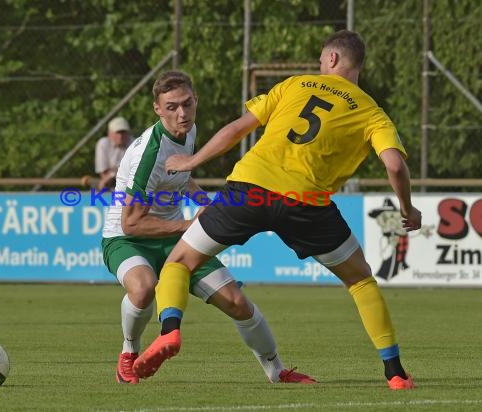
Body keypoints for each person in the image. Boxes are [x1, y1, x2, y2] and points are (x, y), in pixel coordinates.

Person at [134, 30, 421, 391]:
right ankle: (394, 373)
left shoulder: (296, 84)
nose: (319, 64)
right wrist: (408, 209)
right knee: (360, 279)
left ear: (331, 59)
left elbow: (238, 129)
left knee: (179, 262)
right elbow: (395, 166)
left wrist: (192, 160)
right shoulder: (372, 113)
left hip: (249, 189)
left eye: (321, 58)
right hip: (306, 204)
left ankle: (170, 331)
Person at [101, 71, 314, 385]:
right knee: (144, 287)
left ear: (196, 101)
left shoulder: (188, 130)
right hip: (126, 238)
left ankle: (277, 371)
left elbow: (180, 176)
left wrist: (203, 201)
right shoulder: (148, 154)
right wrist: (193, 224)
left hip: (173, 233)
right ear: (157, 109)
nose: (182, 114)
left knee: (237, 302)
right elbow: (131, 223)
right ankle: (128, 354)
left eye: (187, 104)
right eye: (172, 107)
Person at [94, 116, 134, 190]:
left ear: (128, 133)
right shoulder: (103, 144)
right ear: (109, 133)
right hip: (111, 184)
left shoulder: (135, 143)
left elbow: (136, 171)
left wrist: (113, 173)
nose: (120, 136)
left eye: (123, 132)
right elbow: (103, 173)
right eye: (118, 132)